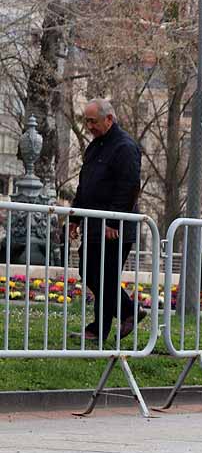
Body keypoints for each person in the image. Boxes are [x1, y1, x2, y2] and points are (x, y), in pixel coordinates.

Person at [69, 99, 143, 342]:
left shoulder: (125, 147)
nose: (89, 126)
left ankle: (107, 324)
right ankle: (121, 316)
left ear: (109, 119)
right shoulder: (95, 147)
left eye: (93, 121)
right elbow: (85, 186)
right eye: (87, 121)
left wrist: (114, 221)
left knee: (104, 277)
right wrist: (75, 217)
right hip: (94, 223)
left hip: (114, 227)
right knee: (91, 272)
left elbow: (129, 187)